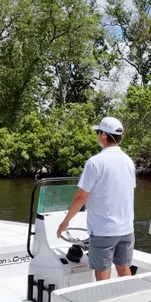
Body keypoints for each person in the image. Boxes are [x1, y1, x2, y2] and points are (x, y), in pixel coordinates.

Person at [57, 117, 136, 281]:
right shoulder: (129, 162)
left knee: (102, 272)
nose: (97, 135)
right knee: (123, 268)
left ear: (104, 136)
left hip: (104, 230)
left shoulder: (95, 162)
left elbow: (81, 197)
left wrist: (66, 221)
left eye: (98, 132)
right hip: (127, 228)